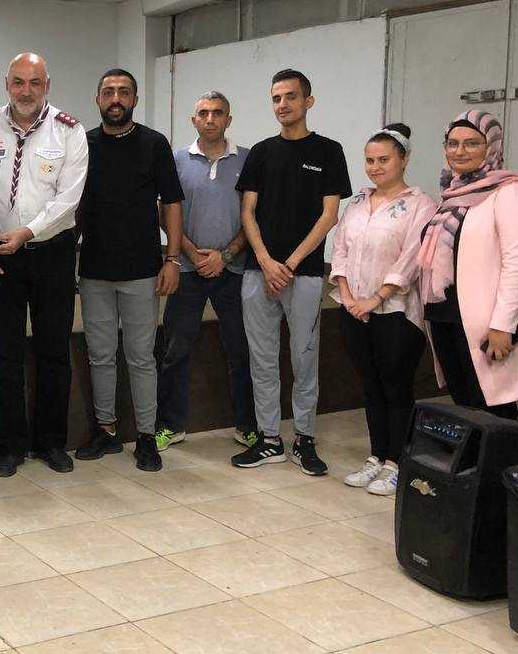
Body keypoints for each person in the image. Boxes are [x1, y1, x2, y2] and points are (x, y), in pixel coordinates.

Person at [0, 52, 89, 477]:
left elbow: (68, 199)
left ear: (47, 85)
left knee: (54, 350)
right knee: (4, 353)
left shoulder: (69, 131)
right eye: (18, 82)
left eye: (34, 82)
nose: (26, 91)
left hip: (52, 253)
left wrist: (27, 232)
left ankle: (51, 443)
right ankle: (9, 448)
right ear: (6, 84)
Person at [234, 69, 351, 475]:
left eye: (290, 97)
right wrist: (266, 261)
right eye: (276, 98)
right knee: (262, 361)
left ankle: (304, 439)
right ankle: (269, 440)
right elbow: (247, 211)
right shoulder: (261, 152)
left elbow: (329, 215)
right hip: (258, 273)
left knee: (304, 358)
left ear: (308, 101)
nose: (282, 105)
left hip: (304, 275)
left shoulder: (329, 151)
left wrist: (290, 264)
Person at [74, 68, 183, 472]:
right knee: (100, 356)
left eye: (123, 92)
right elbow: (74, 207)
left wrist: (172, 259)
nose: (115, 98)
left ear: (134, 100)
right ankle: (105, 431)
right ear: (98, 99)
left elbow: (172, 203)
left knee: (141, 357)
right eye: (108, 92)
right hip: (95, 271)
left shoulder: (154, 144)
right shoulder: (82, 145)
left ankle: (146, 437)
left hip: (142, 271)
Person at [417, 110, 518, 422]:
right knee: (465, 406)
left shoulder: (510, 191)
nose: (460, 151)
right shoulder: (452, 193)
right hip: (445, 315)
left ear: (491, 146)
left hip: (487, 322)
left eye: (472, 143)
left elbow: (517, 264)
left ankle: (501, 458)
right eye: (453, 143)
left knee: (494, 409)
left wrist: (502, 326)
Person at [331, 124, 436, 496]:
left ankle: (396, 463)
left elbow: (411, 260)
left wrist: (374, 299)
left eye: (384, 160)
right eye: (369, 160)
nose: (375, 167)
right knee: (370, 385)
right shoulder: (358, 202)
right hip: (353, 310)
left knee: (396, 387)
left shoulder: (421, 205)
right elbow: (340, 248)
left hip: (395, 312)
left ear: (403, 160)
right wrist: (348, 297)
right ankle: (376, 456)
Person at [153, 91, 258, 455]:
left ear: (229, 119)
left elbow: (254, 215)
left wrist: (225, 255)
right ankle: (170, 425)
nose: (210, 118)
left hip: (234, 269)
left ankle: (247, 426)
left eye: (217, 113)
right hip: (187, 269)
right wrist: (191, 253)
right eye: (203, 113)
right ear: (193, 120)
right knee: (175, 350)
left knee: (240, 350)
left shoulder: (247, 159)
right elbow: (166, 211)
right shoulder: (177, 160)